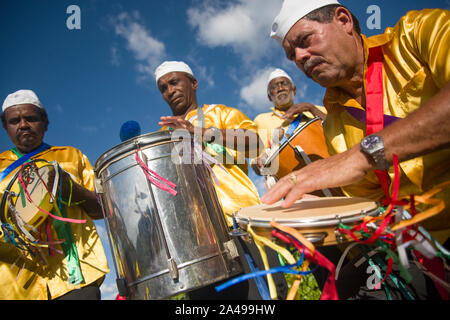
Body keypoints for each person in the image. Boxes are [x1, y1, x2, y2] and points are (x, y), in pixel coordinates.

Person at [262, 0, 450, 299]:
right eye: (291, 54)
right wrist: (325, 212)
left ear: (343, 20)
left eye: (304, 40)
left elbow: (355, 162)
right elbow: (375, 205)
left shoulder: (419, 35)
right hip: (417, 246)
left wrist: (362, 155)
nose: (299, 57)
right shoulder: (334, 121)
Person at [155, 61, 288, 299]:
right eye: (163, 88)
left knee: (262, 297)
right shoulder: (164, 138)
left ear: (193, 83)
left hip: (240, 224)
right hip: (197, 242)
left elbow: (255, 143)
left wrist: (201, 133)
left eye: (174, 82)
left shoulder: (222, 113)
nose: (169, 91)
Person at [0, 89, 109, 300]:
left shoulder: (72, 156)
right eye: (15, 121)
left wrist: (71, 189)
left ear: (45, 122)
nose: (23, 125)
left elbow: (101, 209)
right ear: (6, 127)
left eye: (31, 118)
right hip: (16, 287)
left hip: (75, 279)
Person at [251, 68, 327, 180]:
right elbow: (255, 162)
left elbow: (339, 132)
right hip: (292, 183)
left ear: (294, 90)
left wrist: (310, 108)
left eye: (284, 83)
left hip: (329, 170)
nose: (280, 88)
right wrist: (259, 163)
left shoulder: (316, 110)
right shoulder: (261, 120)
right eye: (274, 87)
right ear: (269, 96)